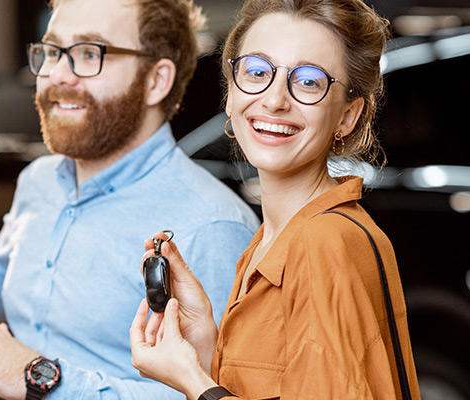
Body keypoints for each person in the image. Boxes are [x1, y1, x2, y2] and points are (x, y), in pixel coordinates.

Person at [0, 0, 260, 399]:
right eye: (53, 52)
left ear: (156, 80)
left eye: (89, 54)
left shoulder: (211, 226)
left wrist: (38, 378)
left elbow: (206, 394)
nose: (57, 75)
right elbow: (10, 273)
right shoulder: (40, 181)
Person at [128, 0, 420, 398]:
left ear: (348, 116)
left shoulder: (322, 244)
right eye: (257, 72)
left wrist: (193, 383)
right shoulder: (268, 243)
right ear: (230, 94)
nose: (275, 99)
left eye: (309, 81)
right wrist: (206, 347)